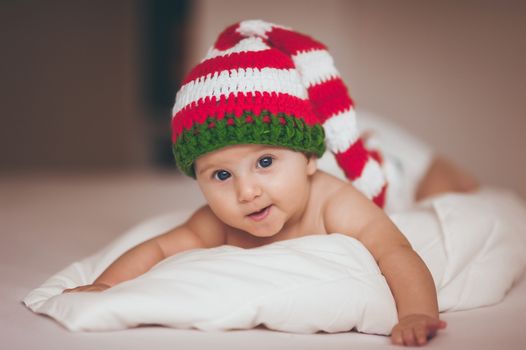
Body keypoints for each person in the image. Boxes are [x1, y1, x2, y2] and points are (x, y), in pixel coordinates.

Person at [64, 20, 478, 346]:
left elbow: (395, 249)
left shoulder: (335, 202)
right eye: (221, 175)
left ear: (310, 159)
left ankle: (427, 163)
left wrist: (416, 313)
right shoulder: (217, 220)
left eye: (264, 162)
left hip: (388, 170)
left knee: (439, 185)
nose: (246, 191)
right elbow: (157, 247)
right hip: (309, 142)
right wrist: (106, 285)